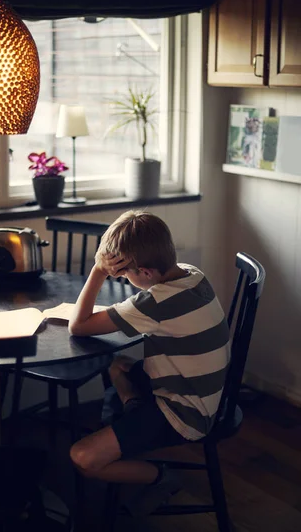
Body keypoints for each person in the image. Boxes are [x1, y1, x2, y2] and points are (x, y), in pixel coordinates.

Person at [68, 210, 230, 513]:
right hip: (207, 393)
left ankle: (161, 477)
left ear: (145, 273)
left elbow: (78, 326)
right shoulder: (192, 274)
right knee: (118, 365)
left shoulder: (154, 302)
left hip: (185, 415)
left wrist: (98, 272)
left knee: (83, 457)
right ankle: (132, 411)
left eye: (124, 274)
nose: (124, 280)